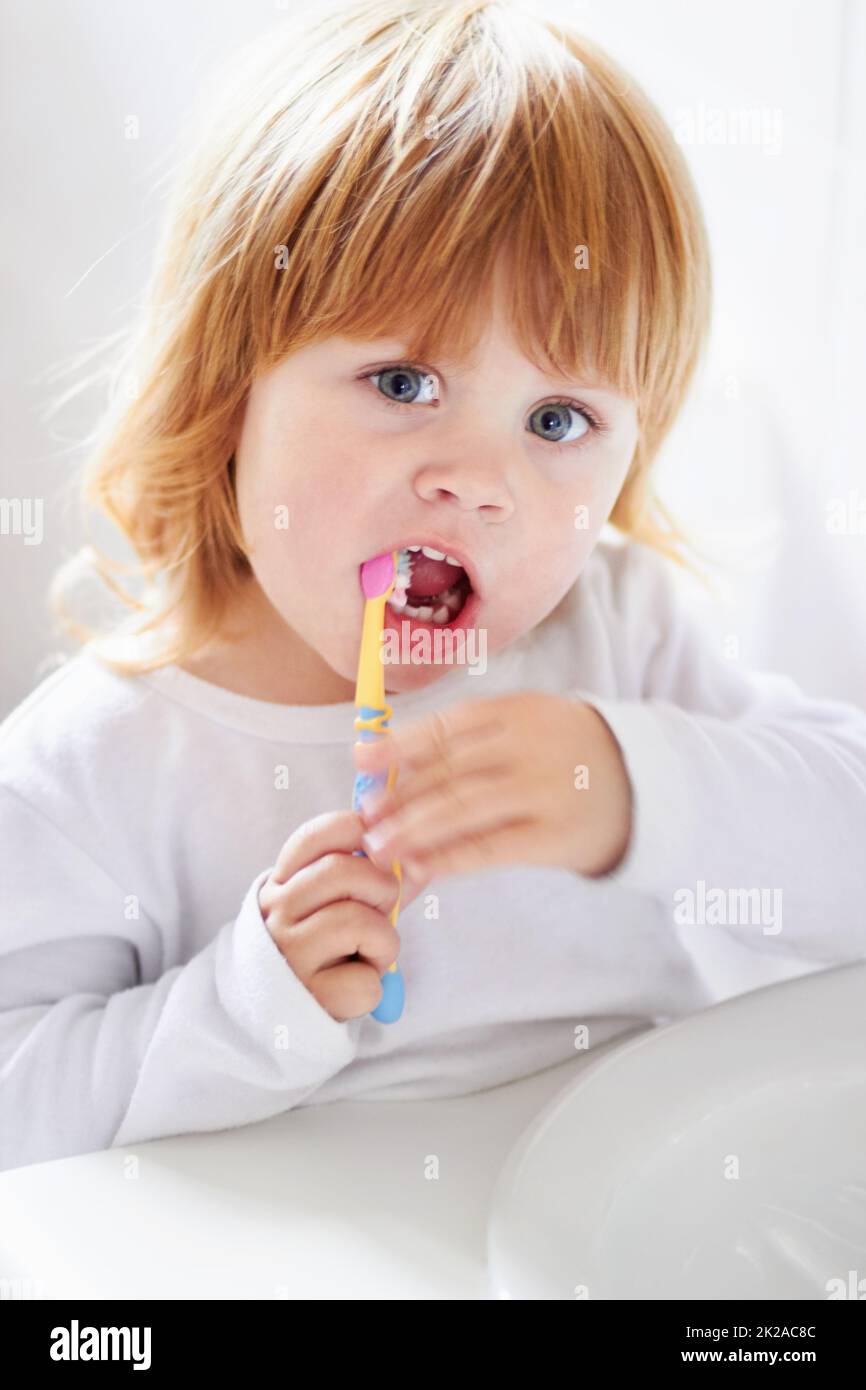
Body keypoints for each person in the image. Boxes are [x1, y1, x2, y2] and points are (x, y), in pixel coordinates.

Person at [2, 0, 864, 1173]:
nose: (478, 481)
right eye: (404, 382)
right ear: (226, 386)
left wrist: (636, 788)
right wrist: (248, 1002)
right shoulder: (92, 769)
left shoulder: (616, 631)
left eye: (557, 418)